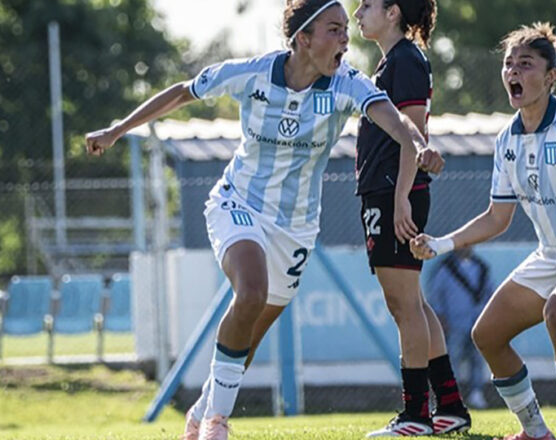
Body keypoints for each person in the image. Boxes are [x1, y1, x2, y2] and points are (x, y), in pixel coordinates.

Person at [84, 2, 444, 439]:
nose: (345, 40)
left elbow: (393, 117)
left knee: (249, 334)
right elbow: (183, 91)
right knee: (250, 291)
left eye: (346, 30)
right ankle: (217, 422)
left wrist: (418, 142)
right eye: (334, 30)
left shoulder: (347, 82)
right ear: (303, 39)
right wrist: (117, 129)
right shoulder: (253, 73)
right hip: (239, 204)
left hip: (295, 228)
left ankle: (202, 410)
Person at [411, 22, 556, 440]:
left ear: (552, 76)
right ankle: (535, 432)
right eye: (508, 64)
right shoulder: (506, 140)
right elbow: (497, 218)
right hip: (553, 255)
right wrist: (441, 244)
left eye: (526, 64)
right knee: (488, 335)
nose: (513, 72)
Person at [352, 0, 471, 436]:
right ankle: (451, 405)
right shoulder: (395, 60)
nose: (357, 12)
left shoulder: (404, 59)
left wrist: (401, 196)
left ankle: (415, 414)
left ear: (393, 11)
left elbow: (412, 131)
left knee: (403, 305)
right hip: (388, 190)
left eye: (367, 4)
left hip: (394, 192)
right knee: (414, 304)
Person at [426, 246, 493, 409]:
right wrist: (440, 319)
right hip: (454, 323)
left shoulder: (481, 267)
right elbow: (436, 295)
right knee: (452, 359)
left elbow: (490, 294)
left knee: (478, 359)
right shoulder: (445, 268)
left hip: (478, 322)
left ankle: (476, 393)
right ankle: (451, 395)